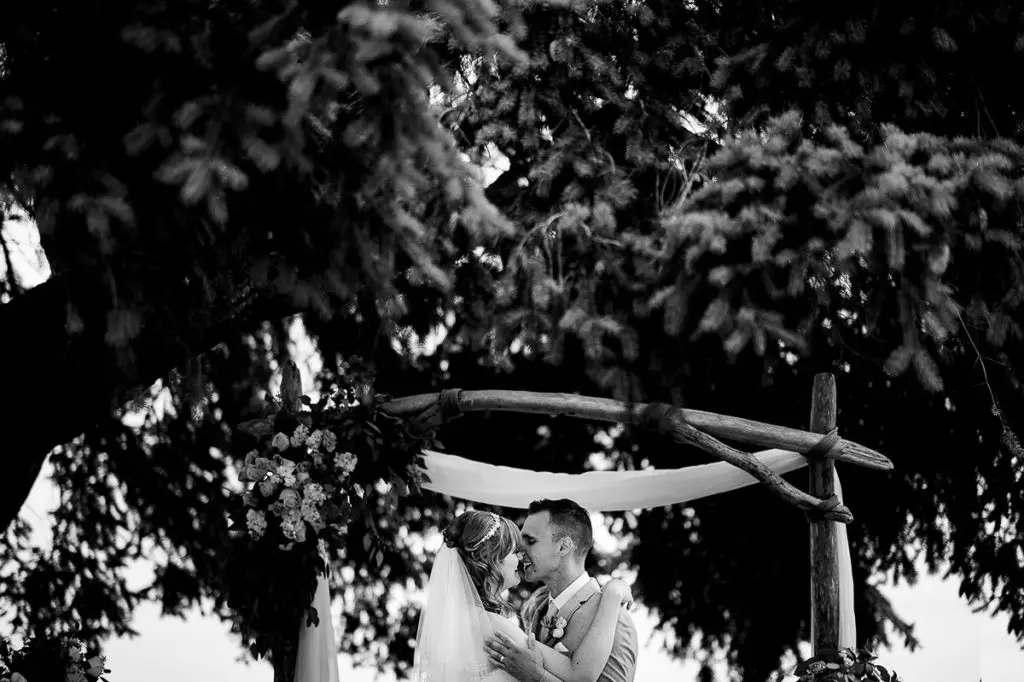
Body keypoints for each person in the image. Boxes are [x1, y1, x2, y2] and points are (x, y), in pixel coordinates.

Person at [413, 510, 634, 682]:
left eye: (530, 543)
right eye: (513, 550)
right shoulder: (492, 625)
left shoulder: (458, 623)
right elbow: (580, 674)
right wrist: (613, 595)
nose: (521, 556)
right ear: (490, 559)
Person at [484, 499, 639, 682]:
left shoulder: (614, 616)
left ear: (563, 547)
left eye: (531, 541)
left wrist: (536, 677)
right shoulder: (538, 610)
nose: (519, 551)